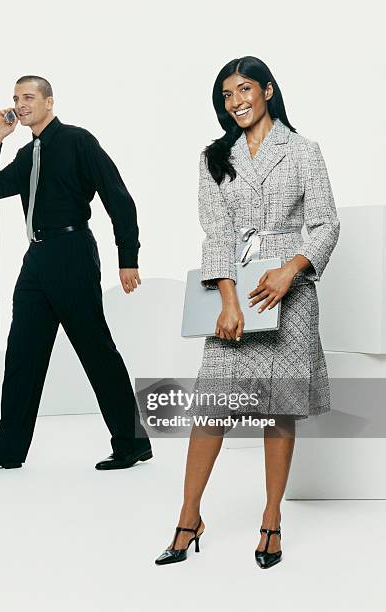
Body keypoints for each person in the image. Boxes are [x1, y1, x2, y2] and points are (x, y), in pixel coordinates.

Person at [155, 56, 340, 568]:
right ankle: (189, 516)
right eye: (227, 96)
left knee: (278, 410)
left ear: (268, 90)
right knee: (211, 405)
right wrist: (229, 300)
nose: (236, 102)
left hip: (290, 294)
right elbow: (215, 232)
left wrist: (290, 270)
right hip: (234, 290)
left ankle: (272, 519)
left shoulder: (304, 151)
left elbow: (326, 224)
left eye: (244, 90)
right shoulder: (215, 157)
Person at [0, 75, 152, 472]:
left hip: (73, 251)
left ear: (49, 101)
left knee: (95, 349)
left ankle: (132, 443)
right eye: (15, 97)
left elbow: (118, 196)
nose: (20, 103)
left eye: (28, 97)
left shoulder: (78, 141)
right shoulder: (28, 155)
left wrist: (127, 257)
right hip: (38, 257)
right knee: (22, 353)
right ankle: (7, 449)